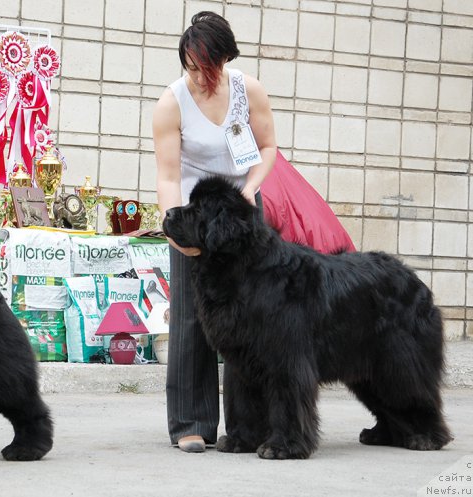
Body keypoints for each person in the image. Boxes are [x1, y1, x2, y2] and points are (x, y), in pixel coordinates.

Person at [152, 11, 277, 453]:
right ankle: (191, 422)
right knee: (191, 315)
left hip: (241, 212)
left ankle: (247, 425)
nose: (201, 77)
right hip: (194, 214)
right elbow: (168, 176)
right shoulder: (172, 102)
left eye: (210, 67)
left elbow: (266, 147)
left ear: (225, 59)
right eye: (191, 68)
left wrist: (251, 191)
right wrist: (174, 230)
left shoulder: (249, 90)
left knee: (248, 317)